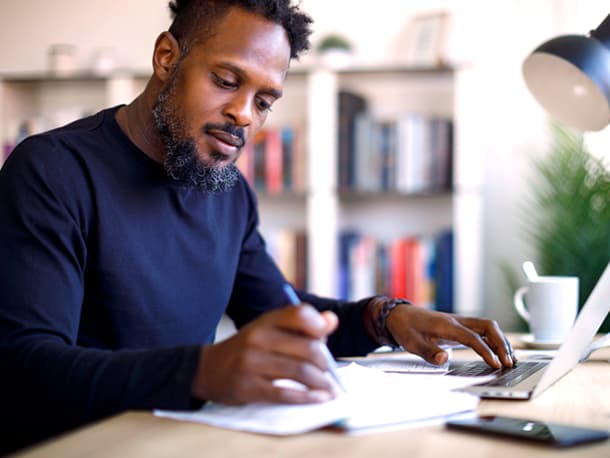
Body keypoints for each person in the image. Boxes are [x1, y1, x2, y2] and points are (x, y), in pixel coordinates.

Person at [0, 0, 515, 453]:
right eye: (226, 80)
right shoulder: (52, 171)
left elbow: (283, 314)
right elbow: (26, 369)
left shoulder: (229, 193)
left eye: (265, 101)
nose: (244, 114)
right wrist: (204, 372)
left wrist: (386, 318)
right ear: (166, 58)